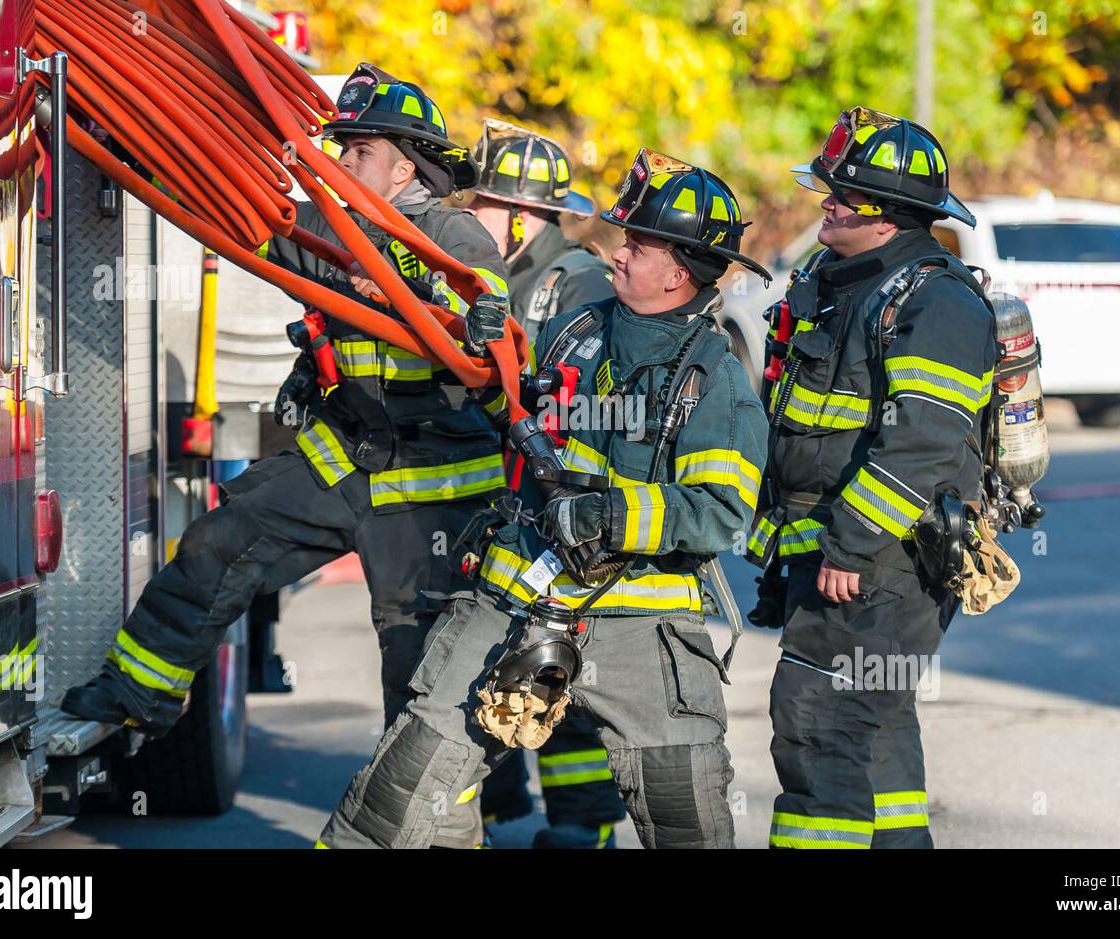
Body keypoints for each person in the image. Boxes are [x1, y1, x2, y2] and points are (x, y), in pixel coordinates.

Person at [61, 68, 509, 851]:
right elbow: (241, 219)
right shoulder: (329, 228)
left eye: (358, 149)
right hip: (347, 455)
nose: (340, 160)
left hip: (431, 488)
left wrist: (471, 321)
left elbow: (479, 331)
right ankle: (139, 693)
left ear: (406, 166)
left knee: (418, 685)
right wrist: (141, 148)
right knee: (217, 541)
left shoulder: (451, 236)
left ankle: (442, 837)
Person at [316, 148, 770, 849]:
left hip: (638, 624)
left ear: (679, 272)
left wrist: (607, 517)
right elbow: (517, 409)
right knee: (399, 791)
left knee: (687, 817)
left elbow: (717, 510)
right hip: (512, 601)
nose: (618, 255)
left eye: (636, 245)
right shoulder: (579, 328)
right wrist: (476, 351)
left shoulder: (714, 380)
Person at [747, 107, 995, 849]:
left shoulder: (937, 301)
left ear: (887, 217)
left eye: (841, 195)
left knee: (819, 725)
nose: (825, 203)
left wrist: (850, 547)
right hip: (829, 555)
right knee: (874, 728)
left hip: (885, 562)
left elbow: (921, 444)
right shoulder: (834, 279)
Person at [463, 120, 623, 848]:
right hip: (502, 505)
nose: (472, 218)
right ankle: (496, 810)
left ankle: (582, 826)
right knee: (491, 667)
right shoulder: (504, 274)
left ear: (522, 215)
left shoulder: (575, 279)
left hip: (555, 516)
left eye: (485, 206)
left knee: (559, 673)